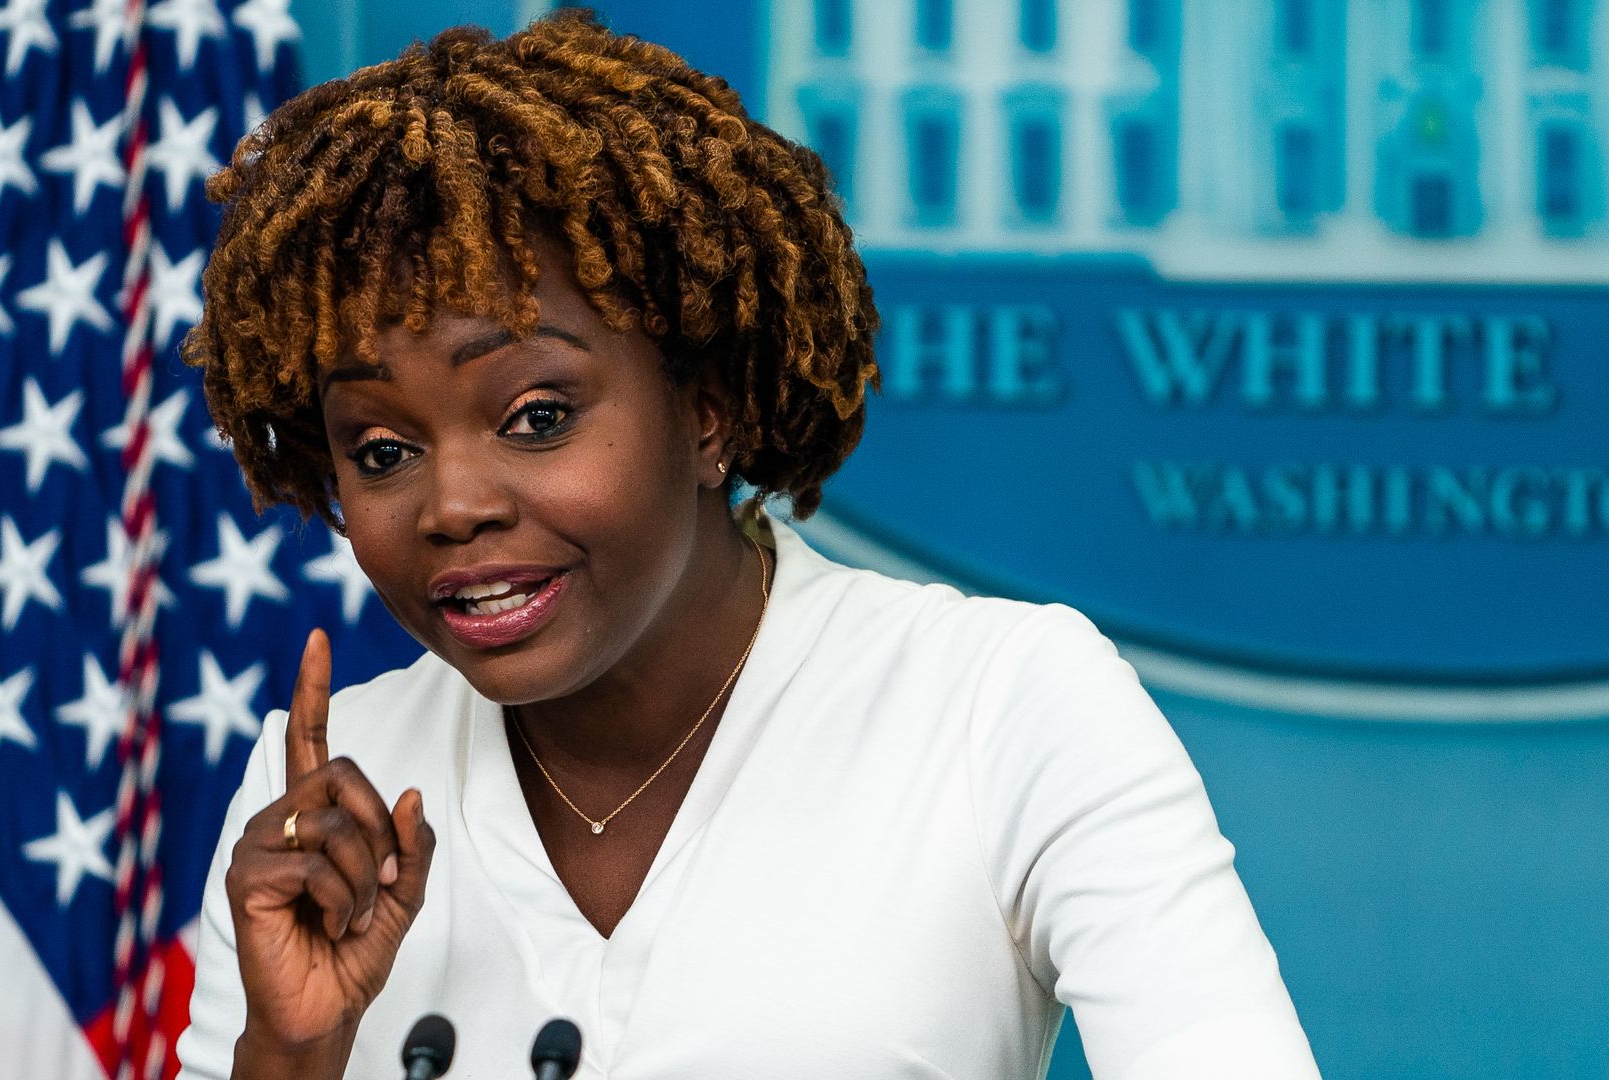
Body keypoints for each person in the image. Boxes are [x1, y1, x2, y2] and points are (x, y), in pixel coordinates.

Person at [176, 10, 1322, 1079]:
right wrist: (287, 1059)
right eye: (379, 448)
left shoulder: (1001, 706)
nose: (451, 505)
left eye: (538, 417)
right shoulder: (324, 802)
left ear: (707, 411)